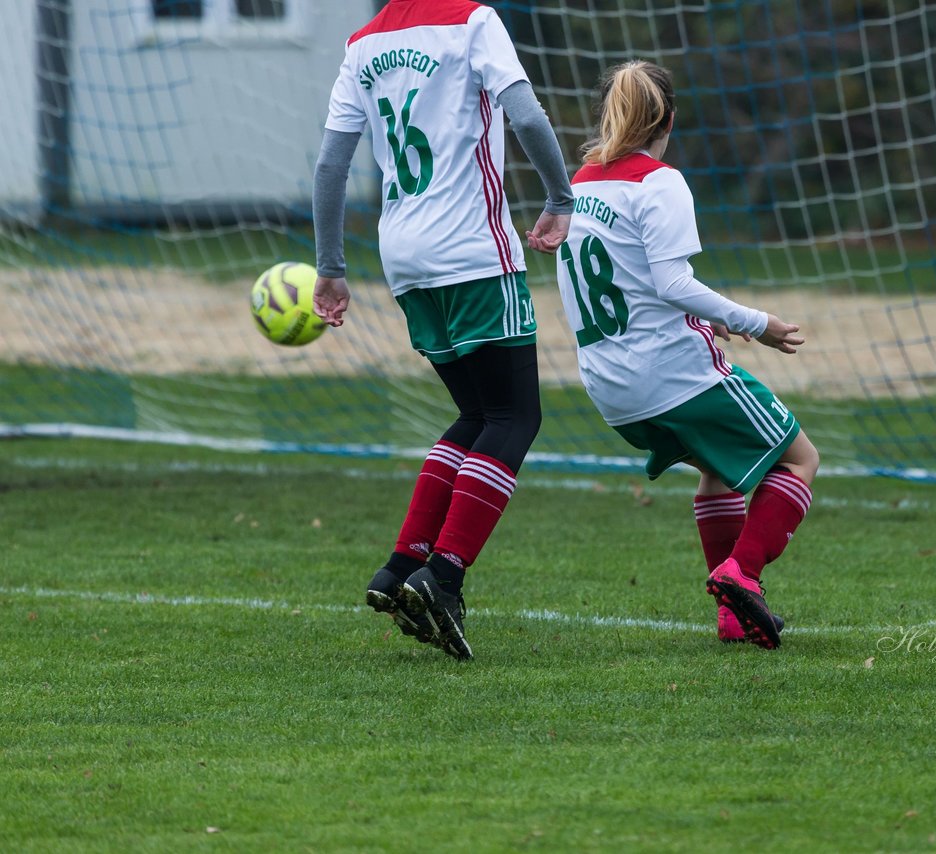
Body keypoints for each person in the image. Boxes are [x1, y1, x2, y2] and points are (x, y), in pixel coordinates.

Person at [310, 0, 573, 661]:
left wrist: (331, 268)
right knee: (514, 417)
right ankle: (444, 576)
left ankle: (402, 564)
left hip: (405, 259)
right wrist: (561, 197)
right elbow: (526, 113)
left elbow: (331, 166)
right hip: (472, 252)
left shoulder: (362, 43)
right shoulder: (472, 21)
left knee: (477, 412)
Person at [555, 61, 820, 649]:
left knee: (719, 474)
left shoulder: (580, 183)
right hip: (669, 372)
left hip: (609, 385)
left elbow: (624, 281)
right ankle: (740, 573)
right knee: (800, 460)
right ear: (669, 118)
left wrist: (695, 316)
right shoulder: (661, 181)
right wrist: (759, 323)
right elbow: (672, 283)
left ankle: (733, 618)